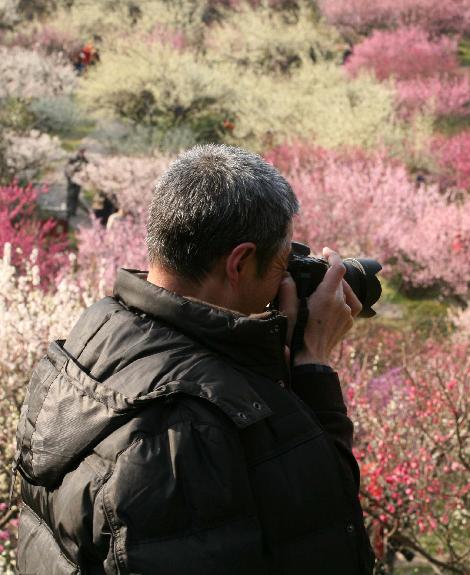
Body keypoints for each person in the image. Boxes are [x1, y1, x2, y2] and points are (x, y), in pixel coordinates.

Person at [14, 145, 377, 574]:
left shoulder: (96, 339)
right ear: (239, 262)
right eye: (283, 261)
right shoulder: (182, 435)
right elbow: (324, 539)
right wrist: (313, 361)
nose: (287, 276)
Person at [63, 148, 88, 223]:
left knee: (75, 196)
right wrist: (69, 177)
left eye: (83, 152)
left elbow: (87, 169)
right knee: (70, 195)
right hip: (71, 180)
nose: (82, 153)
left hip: (79, 181)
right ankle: (68, 211)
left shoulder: (84, 160)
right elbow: (66, 168)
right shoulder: (73, 159)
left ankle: (73, 211)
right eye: (81, 151)